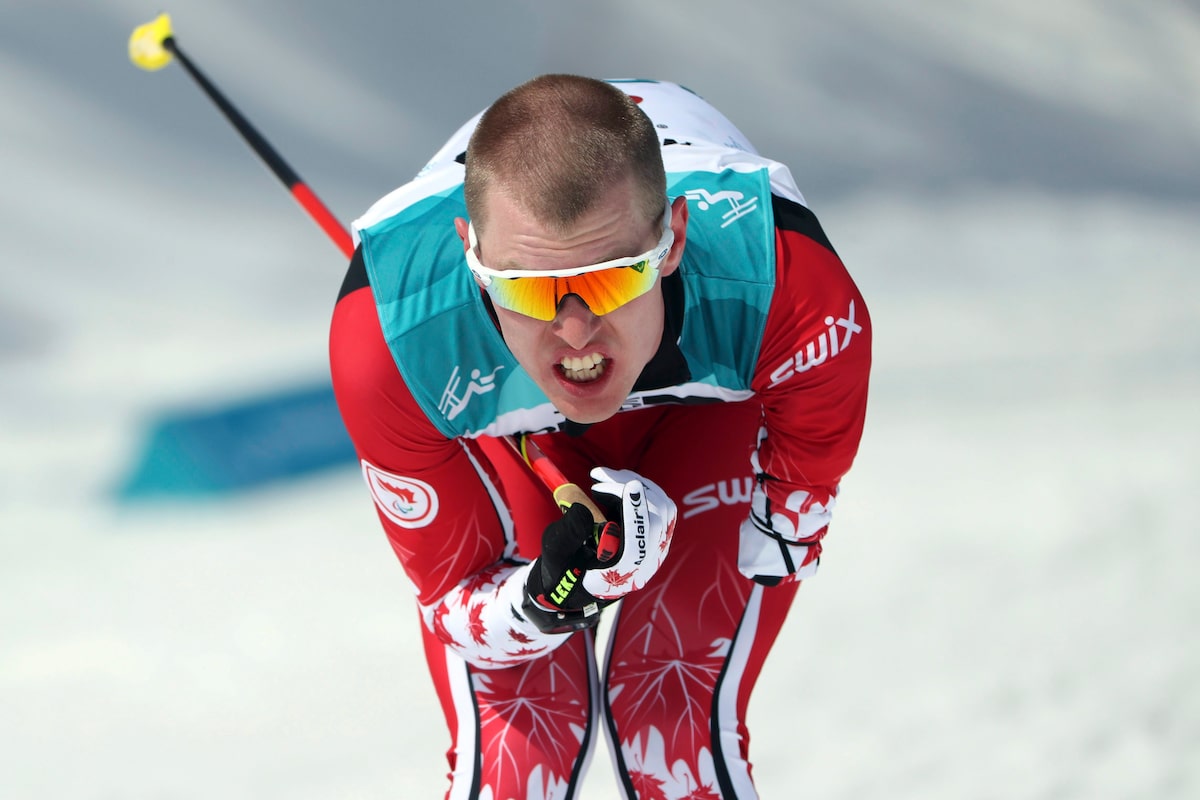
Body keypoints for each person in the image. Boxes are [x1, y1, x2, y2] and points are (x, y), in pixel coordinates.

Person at [329, 74, 871, 799]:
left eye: (613, 279)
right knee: (521, 748)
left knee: (670, 720)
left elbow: (786, 535)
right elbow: (455, 604)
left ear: (674, 238)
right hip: (507, 420)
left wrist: (736, 537)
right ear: (471, 257)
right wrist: (543, 599)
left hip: (709, 410)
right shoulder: (392, 341)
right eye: (526, 288)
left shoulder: (785, 285)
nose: (577, 331)